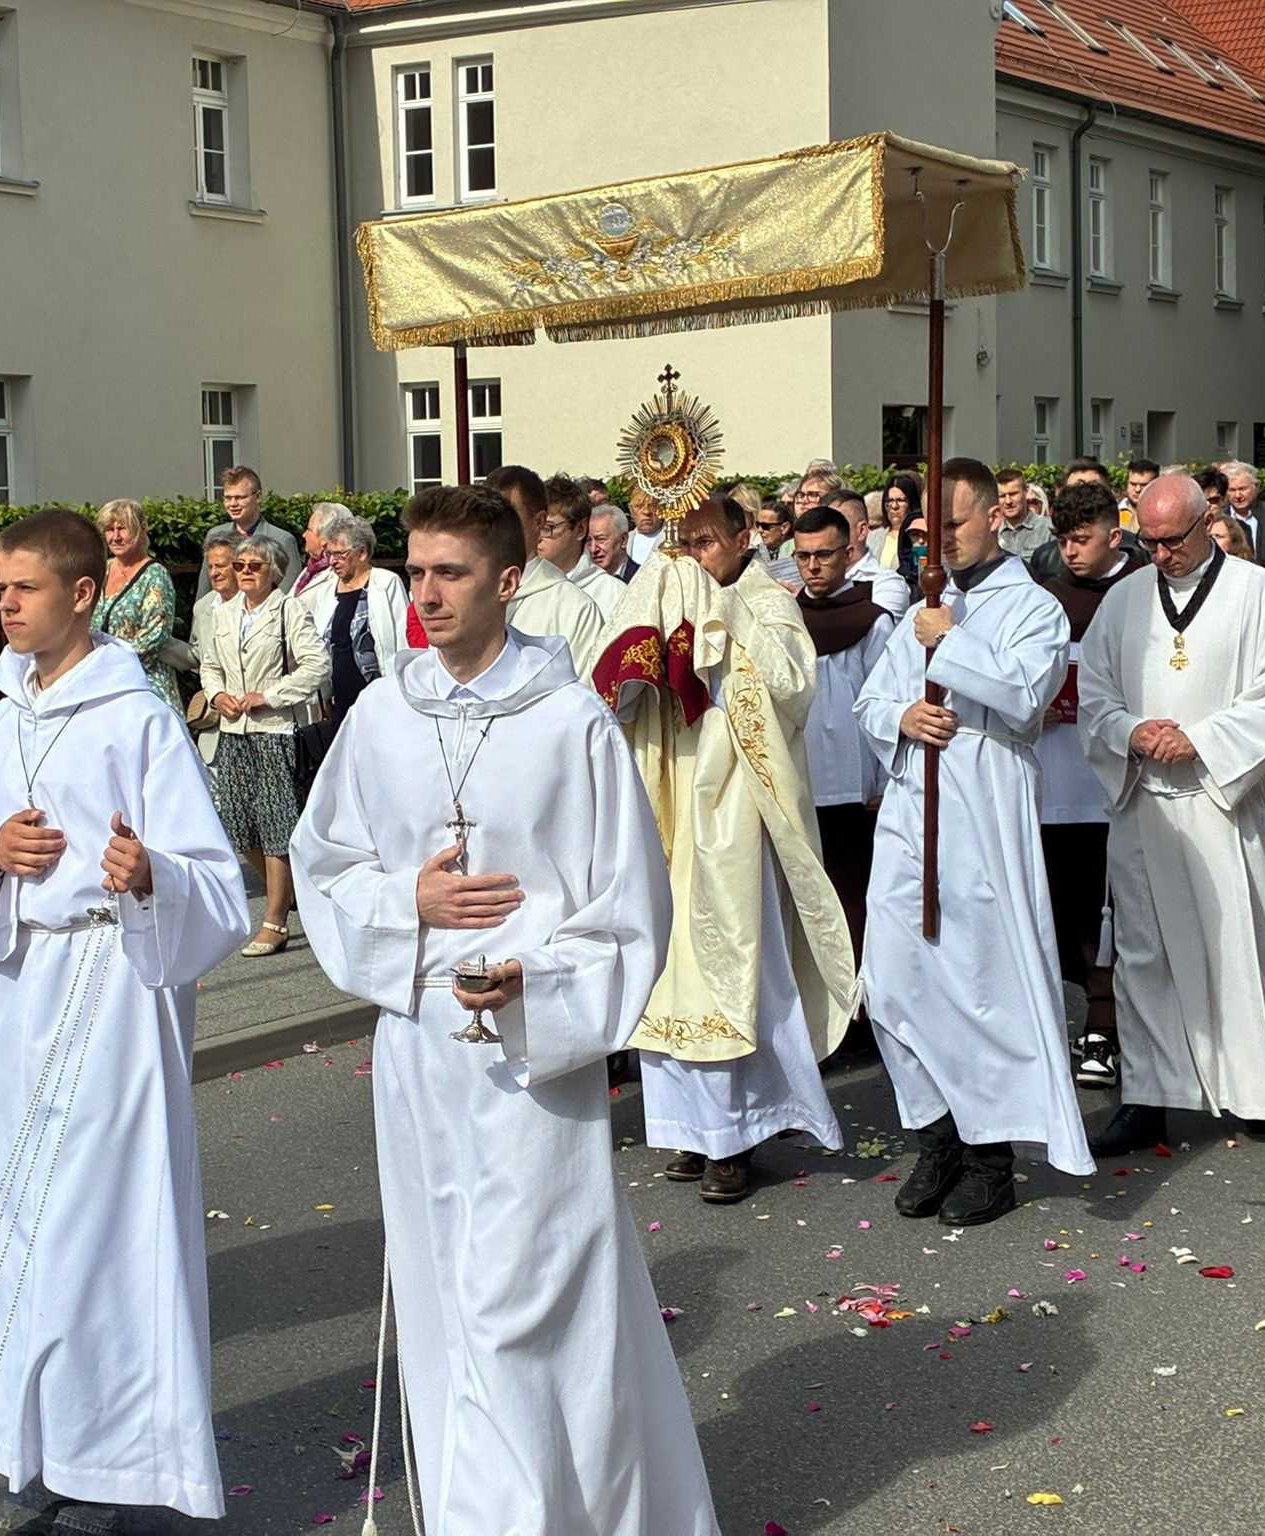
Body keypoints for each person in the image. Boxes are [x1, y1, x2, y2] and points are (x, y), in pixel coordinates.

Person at [290, 484, 720, 1536]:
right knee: (444, 1293)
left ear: (509, 581)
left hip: (533, 1064)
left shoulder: (569, 723)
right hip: (420, 1051)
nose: (426, 595)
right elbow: (323, 861)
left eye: (452, 573)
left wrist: (538, 978)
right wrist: (408, 901)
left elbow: (629, 910)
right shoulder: (383, 714)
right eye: (417, 572)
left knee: (522, 1303)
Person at [0, 510, 249, 1527]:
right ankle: (29, 1442)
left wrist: (148, 872)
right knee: (17, 1216)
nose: (6, 605)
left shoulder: (136, 717)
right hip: (25, 987)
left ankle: (109, 1467)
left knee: (102, 1223)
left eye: (24, 587)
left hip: (115, 985)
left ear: (79, 594)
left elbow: (212, 880)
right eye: (0, 587)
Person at [597, 495, 855, 1204]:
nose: (696, 554)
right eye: (688, 542)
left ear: (744, 540)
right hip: (670, 801)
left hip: (737, 810)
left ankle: (738, 1136)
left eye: (709, 541)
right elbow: (614, 682)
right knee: (668, 965)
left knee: (735, 964)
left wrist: (726, 616)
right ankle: (691, 1129)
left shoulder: (767, 603)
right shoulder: (663, 590)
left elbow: (794, 689)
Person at [854, 457, 1091, 1224]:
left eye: (955, 524)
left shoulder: (1032, 605)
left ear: (995, 517)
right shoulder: (928, 606)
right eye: (932, 530)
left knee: (980, 983)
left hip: (983, 804)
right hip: (911, 805)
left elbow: (1027, 696)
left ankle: (992, 1157)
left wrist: (951, 642)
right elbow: (871, 699)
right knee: (893, 977)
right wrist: (901, 716)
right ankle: (938, 1136)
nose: (942, 542)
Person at [1078, 473, 1265, 1154]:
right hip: (1145, 801)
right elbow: (1095, 692)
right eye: (1148, 541)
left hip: (1219, 802)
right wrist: (1130, 731)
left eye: (1171, 540)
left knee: (1235, 944)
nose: (1159, 554)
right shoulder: (1124, 600)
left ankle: (1255, 1090)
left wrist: (1202, 739)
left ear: (1209, 523)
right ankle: (1150, 1096)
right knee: (1144, 956)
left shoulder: (1256, 594)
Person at [1037, 482, 1145, 1091]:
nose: (1071, 552)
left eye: (1082, 540)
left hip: (1119, 779)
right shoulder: (1048, 597)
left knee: (1113, 910)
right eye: (1063, 540)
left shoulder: (1144, 593)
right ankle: (1085, 1016)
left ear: (1114, 535)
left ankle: (1107, 1025)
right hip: (1055, 776)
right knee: (1066, 905)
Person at [201, 533, 330, 958]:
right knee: (238, 825)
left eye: (254, 566)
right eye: (239, 566)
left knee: (276, 827)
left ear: (273, 572)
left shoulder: (288, 609)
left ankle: (275, 920)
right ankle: (290, 891)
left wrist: (269, 696)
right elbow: (209, 665)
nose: (244, 573)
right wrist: (218, 695)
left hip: (274, 729)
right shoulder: (223, 612)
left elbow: (317, 665)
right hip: (233, 730)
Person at [792, 507, 895, 974]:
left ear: (849, 553)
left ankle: (857, 996)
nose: (813, 566)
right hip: (799, 776)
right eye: (803, 556)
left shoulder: (873, 620)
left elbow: (885, 701)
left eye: (824, 555)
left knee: (852, 894)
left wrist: (884, 780)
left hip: (855, 784)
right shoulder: (785, 619)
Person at [486, 464, 605, 678]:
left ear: (539, 521)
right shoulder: (469, 595)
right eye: (487, 515)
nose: (494, 526)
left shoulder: (573, 607)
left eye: (508, 514)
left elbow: (583, 689)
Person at [304, 513, 410, 724]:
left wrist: (400, 692)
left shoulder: (385, 583)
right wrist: (324, 695)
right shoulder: (326, 590)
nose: (332, 562)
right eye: (329, 554)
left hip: (379, 696)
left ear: (362, 553)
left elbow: (402, 638)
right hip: (340, 699)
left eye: (339, 554)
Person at [95, 498, 178, 705]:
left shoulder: (155, 575)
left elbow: (155, 635)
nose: (115, 537)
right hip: (100, 682)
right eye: (109, 530)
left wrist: (110, 662)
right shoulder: (101, 570)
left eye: (122, 528)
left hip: (143, 685)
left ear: (142, 529)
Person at [195, 466, 299, 597]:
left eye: (239, 497)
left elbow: (288, 592)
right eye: (228, 498)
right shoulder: (214, 535)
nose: (233, 504)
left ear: (257, 497)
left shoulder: (282, 540)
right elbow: (204, 591)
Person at [186, 530, 242, 767]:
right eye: (210, 567)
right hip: (214, 724)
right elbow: (198, 655)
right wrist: (163, 643)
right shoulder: (204, 606)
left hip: (254, 718)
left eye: (220, 566)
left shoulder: (258, 603)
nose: (214, 573)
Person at [540, 474, 628, 619]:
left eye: (548, 527)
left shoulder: (614, 595)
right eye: (535, 527)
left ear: (580, 529)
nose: (538, 537)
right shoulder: (516, 588)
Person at [823, 488, 911, 619]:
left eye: (836, 526)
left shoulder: (886, 583)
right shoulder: (812, 575)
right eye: (820, 527)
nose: (825, 535)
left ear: (862, 531)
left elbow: (877, 626)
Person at [1222, 461, 1265, 566]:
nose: (1237, 495)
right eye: (1232, 490)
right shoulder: (1220, 518)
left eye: (1242, 489)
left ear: (1256, 487)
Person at [995, 467, 1055, 563]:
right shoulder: (992, 534)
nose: (1008, 501)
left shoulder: (1048, 529)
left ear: (1026, 491)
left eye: (1013, 494)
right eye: (1002, 496)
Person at [293, 500, 351, 600]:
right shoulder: (310, 569)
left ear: (325, 537)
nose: (304, 535)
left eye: (309, 529)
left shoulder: (339, 575)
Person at [587, 504, 640, 581]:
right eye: (588, 541)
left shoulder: (642, 577)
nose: (593, 549)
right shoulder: (582, 581)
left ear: (623, 540)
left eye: (601, 539)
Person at [627, 483, 671, 568]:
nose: (646, 511)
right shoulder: (623, 543)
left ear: (663, 508)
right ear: (631, 510)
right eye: (639, 506)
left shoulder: (674, 540)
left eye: (653, 506)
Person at [1121, 458, 1161, 528]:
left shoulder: (1162, 515)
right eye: (1133, 484)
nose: (1137, 490)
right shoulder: (1114, 512)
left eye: (1144, 485)